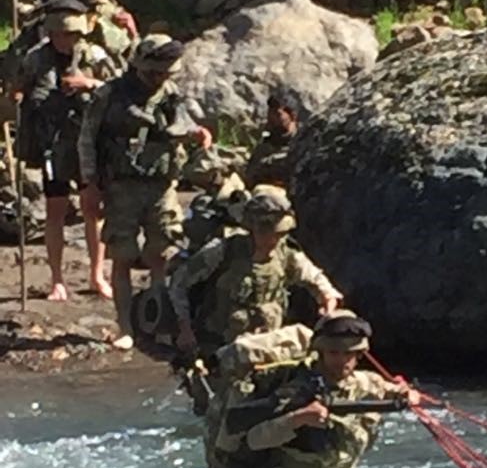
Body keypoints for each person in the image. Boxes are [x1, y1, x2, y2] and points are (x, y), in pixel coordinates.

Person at [79, 33, 213, 350]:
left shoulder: (172, 95)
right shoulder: (110, 95)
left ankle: (158, 322)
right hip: (120, 186)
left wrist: (198, 135)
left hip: (162, 186)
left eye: (166, 74)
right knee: (122, 255)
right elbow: (87, 139)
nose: (159, 79)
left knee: (161, 253)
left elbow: (185, 125)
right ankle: (125, 327)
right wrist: (89, 185)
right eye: (155, 73)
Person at [207, 311, 420, 468]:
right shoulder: (298, 390)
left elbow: (397, 392)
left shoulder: (368, 383)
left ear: (359, 355)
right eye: (334, 353)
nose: (342, 361)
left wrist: (407, 394)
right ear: (321, 352)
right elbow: (254, 439)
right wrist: (297, 419)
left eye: (349, 354)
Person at [168, 184, 340, 358]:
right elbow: (179, 283)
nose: (274, 239)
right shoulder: (225, 250)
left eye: (280, 233)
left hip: (266, 345)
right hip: (220, 347)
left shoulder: (286, 253)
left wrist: (327, 298)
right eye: (268, 232)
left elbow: (315, 278)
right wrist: (185, 329)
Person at [17, 0, 114, 301]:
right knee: (55, 209)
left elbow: (119, 89)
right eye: (62, 34)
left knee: (92, 208)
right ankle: (57, 281)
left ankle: (97, 275)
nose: (67, 40)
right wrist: (18, 96)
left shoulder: (94, 56)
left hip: (89, 143)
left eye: (72, 34)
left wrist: (89, 84)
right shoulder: (35, 58)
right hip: (52, 144)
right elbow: (17, 87)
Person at [243, 92, 299, 189]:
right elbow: (250, 177)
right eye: (270, 113)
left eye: (278, 114)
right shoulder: (264, 147)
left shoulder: (303, 142)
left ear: (292, 116)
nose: (272, 119)